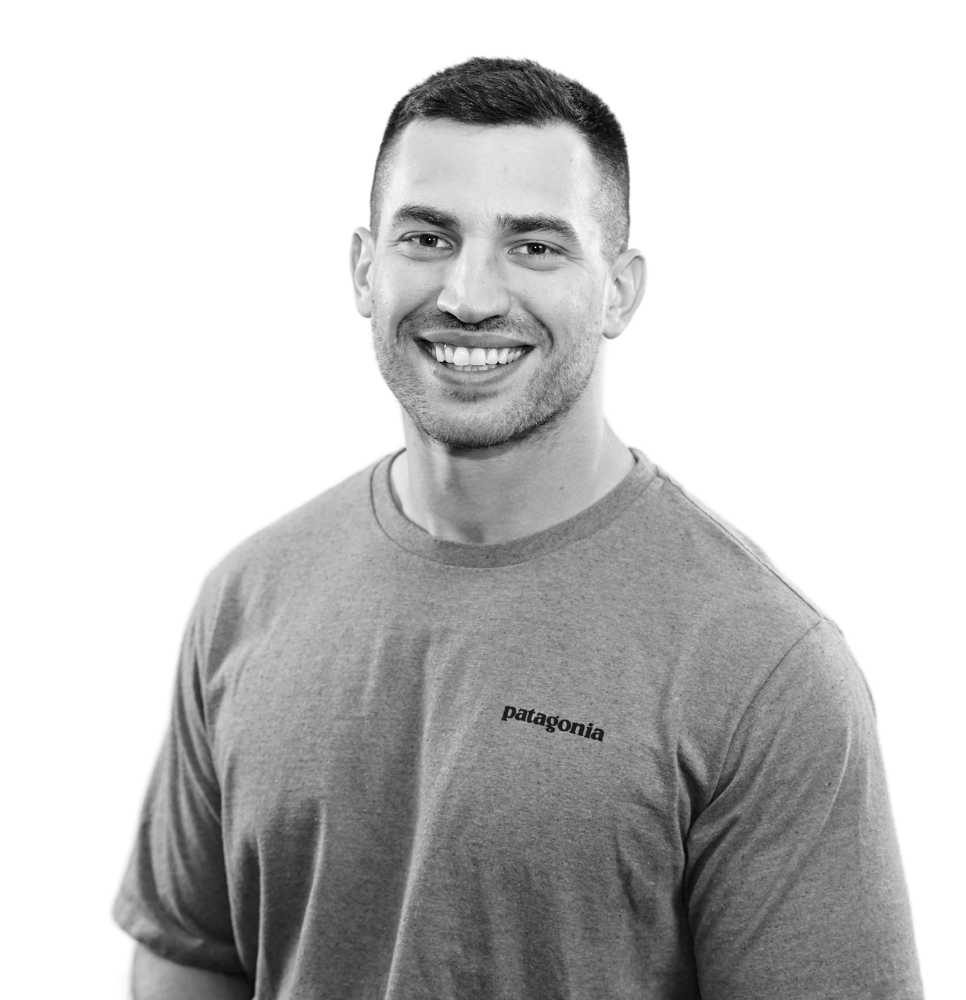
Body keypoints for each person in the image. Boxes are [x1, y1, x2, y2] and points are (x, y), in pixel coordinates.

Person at [114, 58, 924, 1000]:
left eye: (535, 246)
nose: (469, 294)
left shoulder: (762, 665)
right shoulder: (246, 598)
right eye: (427, 235)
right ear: (362, 269)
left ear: (620, 291)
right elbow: (188, 963)